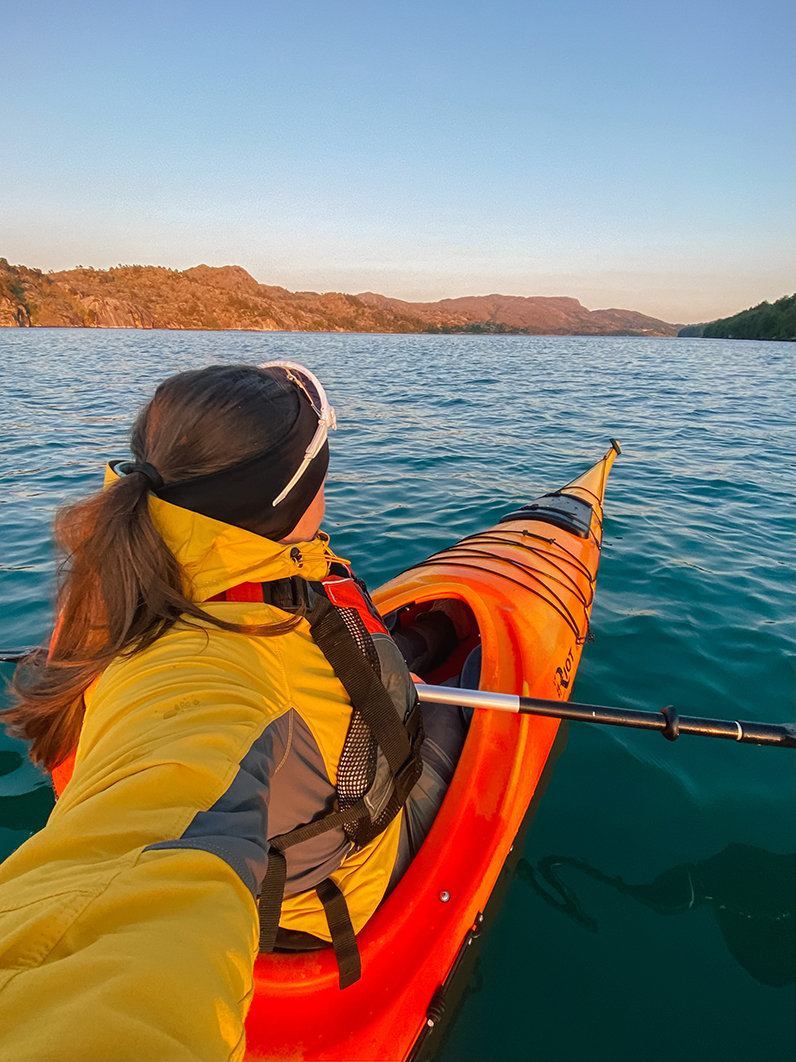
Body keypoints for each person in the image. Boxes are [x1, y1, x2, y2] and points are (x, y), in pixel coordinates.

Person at [0, 363, 467, 1062]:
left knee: (395, 659)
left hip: (313, 763)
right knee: (463, 711)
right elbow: (135, 869)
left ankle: (416, 646)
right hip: (329, 894)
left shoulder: (145, 554)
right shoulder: (205, 679)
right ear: (293, 499)